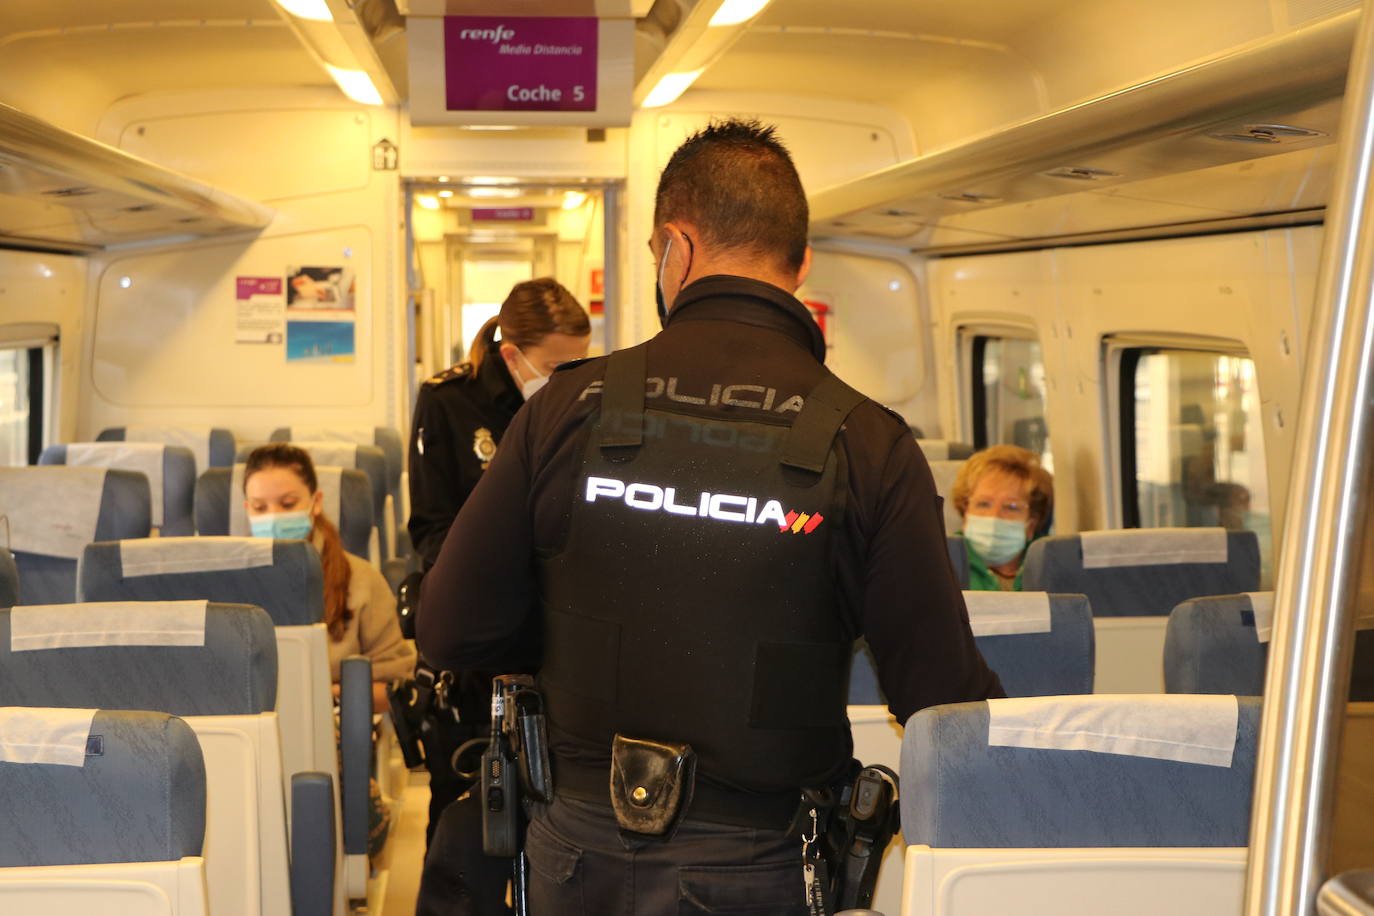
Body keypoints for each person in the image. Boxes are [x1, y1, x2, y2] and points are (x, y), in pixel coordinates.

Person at [418, 119, 1002, 914]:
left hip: (575, 853)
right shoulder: (868, 442)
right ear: (800, 263)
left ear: (674, 248)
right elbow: (941, 698)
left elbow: (453, 629)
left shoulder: (566, 408)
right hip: (763, 861)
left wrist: (561, 635)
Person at [406, 279, 590, 915]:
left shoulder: (589, 404)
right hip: (480, 636)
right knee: (465, 814)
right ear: (514, 356)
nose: (573, 379)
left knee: (559, 814)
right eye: (560, 367)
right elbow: (430, 530)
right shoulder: (448, 402)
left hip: (560, 634)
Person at [243, 442, 416, 854]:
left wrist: (327, 697)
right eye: (259, 507)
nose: (273, 518)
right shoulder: (229, 578)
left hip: (328, 726)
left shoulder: (361, 579)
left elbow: (398, 689)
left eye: (287, 504)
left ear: (315, 502)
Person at [950, 444, 1054, 591]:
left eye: (1011, 507)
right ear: (965, 512)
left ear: (1031, 523)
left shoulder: (1052, 565)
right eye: (983, 504)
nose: (994, 516)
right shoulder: (943, 562)